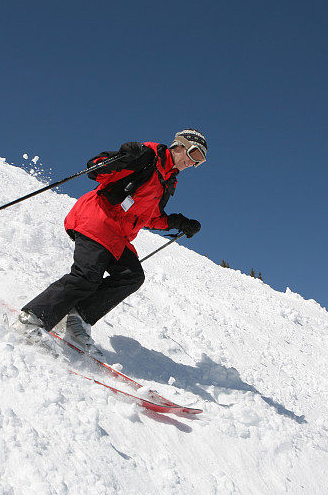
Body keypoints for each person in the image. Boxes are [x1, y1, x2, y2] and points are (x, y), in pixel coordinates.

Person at [11, 128, 207, 354]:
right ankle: (31, 319)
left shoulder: (167, 181)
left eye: (199, 161)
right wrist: (122, 157)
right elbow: (97, 169)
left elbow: (149, 216)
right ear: (179, 146)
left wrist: (178, 222)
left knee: (131, 276)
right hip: (96, 220)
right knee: (87, 277)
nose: (193, 164)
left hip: (116, 235)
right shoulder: (146, 157)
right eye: (194, 155)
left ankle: (77, 319)